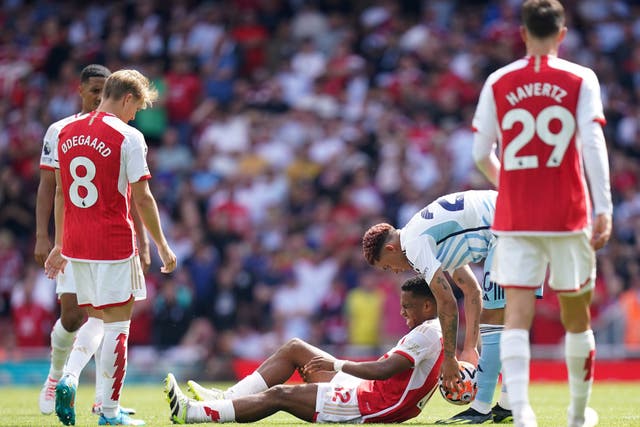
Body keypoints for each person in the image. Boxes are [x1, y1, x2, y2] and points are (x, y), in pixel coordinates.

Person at [471, 1, 613, 426]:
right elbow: (592, 144)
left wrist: (510, 184)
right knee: (576, 313)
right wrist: (603, 207)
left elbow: (480, 153)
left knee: (516, 314)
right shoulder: (580, 78)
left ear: (523, 32)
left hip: (516, 219)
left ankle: (523, 413)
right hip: (567, 214)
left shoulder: (499, 80)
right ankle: (575, 413)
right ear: (562, 33)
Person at [45, 69, 177, 426]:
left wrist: (59, 244)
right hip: (114, 242)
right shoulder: (128, 137)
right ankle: (109, 413)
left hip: (76, 244)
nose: (136, 116)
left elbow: (60, 192)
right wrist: (162, 245)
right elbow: (144, 197)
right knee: (118, 327)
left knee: (97, 320)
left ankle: (69, 377)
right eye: (137, 108)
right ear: (127, 98)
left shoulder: (64, 132)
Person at [164, 276, 443, 424]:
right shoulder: (435, 330)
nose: (402, 311)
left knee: (280, 395)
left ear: (428, 306)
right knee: (295, 348)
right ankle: (225, 397)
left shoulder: (427, 332)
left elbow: (383, 371)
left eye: (407, 307)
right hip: (366, 388)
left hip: (371, 405)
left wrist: (335, 365)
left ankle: (193, 413)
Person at [363, 189, 532, 424]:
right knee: (509, 322)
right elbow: (471, 290)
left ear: (390, 249)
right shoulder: (431, 237)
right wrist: (470, 348)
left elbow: (446, 301)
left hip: (508, 229)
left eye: (387, 267)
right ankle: (509, 403)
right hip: (522, 221)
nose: (394, 271)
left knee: (494, 321)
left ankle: (481, 409)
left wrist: (450, 359)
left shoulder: (413, 245)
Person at [36, 64, 143, 419]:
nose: (99, 96)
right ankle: (59, 378)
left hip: (90, 239)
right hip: (78, 240)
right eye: (94, 89)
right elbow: (52, 188)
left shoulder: (120, 131)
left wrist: (140, 240)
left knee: (99, 317)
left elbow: (127, 194)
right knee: (76, 315)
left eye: (104, 89)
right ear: (81, 89)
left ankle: (96, 397)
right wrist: (46, 238)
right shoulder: (61, 130)